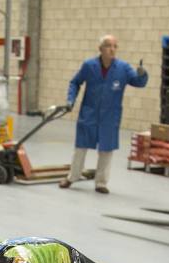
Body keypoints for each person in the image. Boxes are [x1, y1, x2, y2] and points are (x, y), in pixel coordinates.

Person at [60, 35, 148, 194]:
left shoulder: (123, 68)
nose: (112, 49)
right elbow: (75, 82)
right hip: (89, 113)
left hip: (110, 116)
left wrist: (142, 74)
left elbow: (139, 83)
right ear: (100, 49)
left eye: (115, 46)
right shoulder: (89, 66)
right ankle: (72, 177)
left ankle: (101, 182)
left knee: (106, 150)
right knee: (80, 147)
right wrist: (70, 100)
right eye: (108, 46)